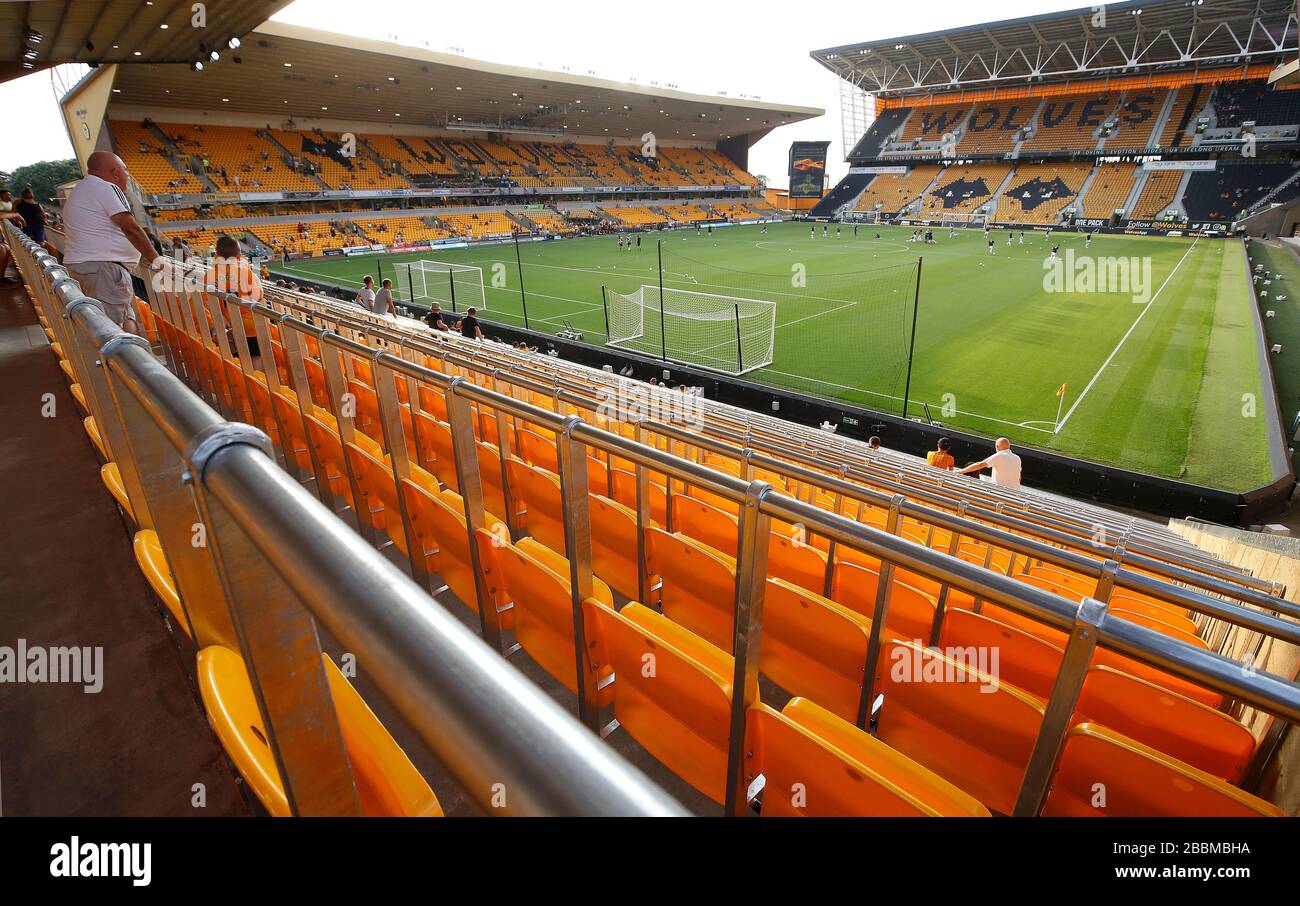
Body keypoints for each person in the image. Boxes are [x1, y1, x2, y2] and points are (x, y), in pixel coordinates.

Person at [62, 150, 162, 334]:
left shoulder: (82, 189)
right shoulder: (105, 188)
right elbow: (130, 228)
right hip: (103, 271)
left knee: (125, 318)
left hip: (89, 267)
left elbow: (103, 232)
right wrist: (157, 261)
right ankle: (126, 363)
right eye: (125, 170)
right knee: (114, 332)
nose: (127, 174)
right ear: (115, 172)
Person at [203, 234, 265, 369]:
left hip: (228, 324)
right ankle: (258, 381)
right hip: (249, 324)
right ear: (238, 255)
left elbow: (208, 303)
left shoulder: (209, 275)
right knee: (256, 356)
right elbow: (258, 295)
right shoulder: (245, 272)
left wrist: (224, 321)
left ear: (217, 254)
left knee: (237, 359)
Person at [958, 437, 1022, 489]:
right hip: (1016, 492)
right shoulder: (1017, 458)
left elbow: (980, 464)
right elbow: (1019, 477)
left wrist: (960, 472)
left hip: (1001, 492)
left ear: (997, 446)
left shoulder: (999, 455)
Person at [16, 187, 58, 257]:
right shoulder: (34, 203)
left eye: (29, 192)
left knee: (35, 242)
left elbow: (43, 215)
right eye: (28, 192)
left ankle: (40, 256)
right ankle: (41, 256)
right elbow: (43, 215)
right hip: (31, 225)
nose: (29, 194)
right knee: (36, 242)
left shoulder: (33, 203)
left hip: (33, 225)